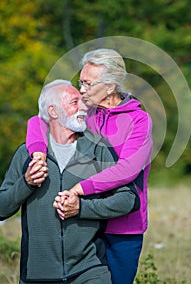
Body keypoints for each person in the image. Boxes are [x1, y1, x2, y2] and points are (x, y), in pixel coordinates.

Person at [26, 49, 153, 284]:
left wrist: (79, 189)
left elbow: (127, 170)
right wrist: (38, 154)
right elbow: (38, 120)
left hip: (123, 227)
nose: (82, 89)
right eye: (80, 82)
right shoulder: (85, 111)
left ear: (110, 87)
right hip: (84, 224)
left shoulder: (139, 120)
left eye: (88, 83)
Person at [0, 80, 139, 284]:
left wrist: (81, 208)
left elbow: (129, 200)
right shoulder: (26, 155)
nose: (83, 107)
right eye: (75, 102)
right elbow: (2, 208)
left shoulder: (97, 149)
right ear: (53, 111)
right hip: (37, 275)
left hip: (90, 271)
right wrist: (27, 182)